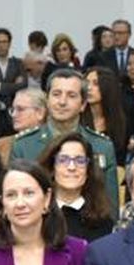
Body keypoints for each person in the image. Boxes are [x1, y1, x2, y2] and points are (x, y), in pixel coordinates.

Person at [11, 68, 120, 210]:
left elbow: (110, 207)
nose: (62, 102)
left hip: (89, 221)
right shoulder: (24, 145)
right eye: (56, 94)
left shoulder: (102, 146)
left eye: (71, 95)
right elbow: (14, 201)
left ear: (83, 104)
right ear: (47, 100)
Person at [40, 133, 115, 243]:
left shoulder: (103, 221)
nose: (72, 167)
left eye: (80, 161)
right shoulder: (38, 216)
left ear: (88, 170)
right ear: (52, 167)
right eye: (63, 160)